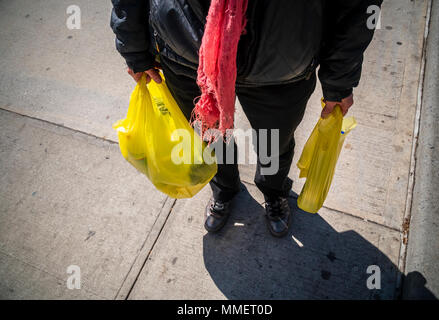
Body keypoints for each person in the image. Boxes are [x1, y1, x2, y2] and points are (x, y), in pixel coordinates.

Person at [110, 0, 382, 237]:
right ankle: (224, 187)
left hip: (282, 61)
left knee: (274, 142)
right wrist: (134, 48)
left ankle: (273, 191)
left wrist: (339, 80)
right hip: (186, 51)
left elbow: (356, 6)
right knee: (210, 135)